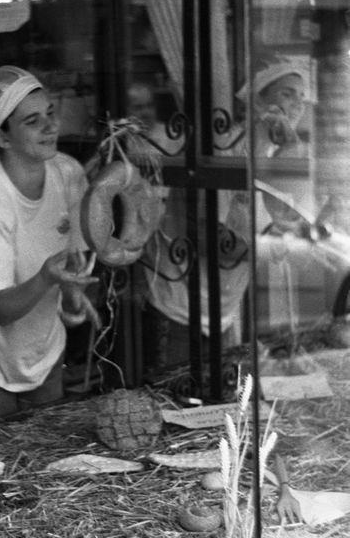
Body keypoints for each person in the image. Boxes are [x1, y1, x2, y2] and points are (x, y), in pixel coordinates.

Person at [127, 61, 335, 380]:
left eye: (300, 96)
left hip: (223, 307)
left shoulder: (276, 156)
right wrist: (278, 248)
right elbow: (209, 236)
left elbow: (287, 221)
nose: (295, 104)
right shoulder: (228, 153)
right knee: (176, 392)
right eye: (286, 93)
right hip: (180, 306)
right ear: (257, 100)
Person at [0, 65, 98, 423]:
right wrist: (46, 278)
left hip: (44, 353)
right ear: (1, 137)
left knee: (45, 456)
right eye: (32, 121)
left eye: (51, 113)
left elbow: (72, 258)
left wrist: (73, 296)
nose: (50, 126)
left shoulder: (68, 173)